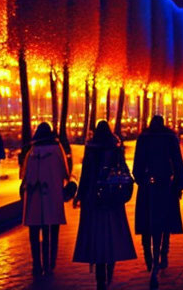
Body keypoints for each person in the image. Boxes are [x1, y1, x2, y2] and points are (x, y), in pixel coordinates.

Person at [72, 120, 136, 290]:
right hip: (112, 196)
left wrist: (79, 196)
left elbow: (85, 175)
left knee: (97, 235)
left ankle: (100, 277)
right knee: (112, 233)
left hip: (93, 198)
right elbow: (123, 170)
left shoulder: (91, 150)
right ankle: (110, 268)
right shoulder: (115, 148)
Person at [133, 114, 183, 289]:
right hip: (166, 184)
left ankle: (148, 254)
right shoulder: (170, 137)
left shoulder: (143, 138)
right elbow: (178, 162)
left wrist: (141, 179)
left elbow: (137, 165)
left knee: (147, 221)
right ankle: (163, 253)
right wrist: (180, 184)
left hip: (148, 185)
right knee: (165, 221)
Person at [22, 122, 70, 277]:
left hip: (34, 199)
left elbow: (25, 176)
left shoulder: (32, 151)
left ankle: (37, 264)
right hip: (53, 196)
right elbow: (65, 173)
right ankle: (50, 263)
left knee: (34, 232)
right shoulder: (57, 150)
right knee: (52, 230)